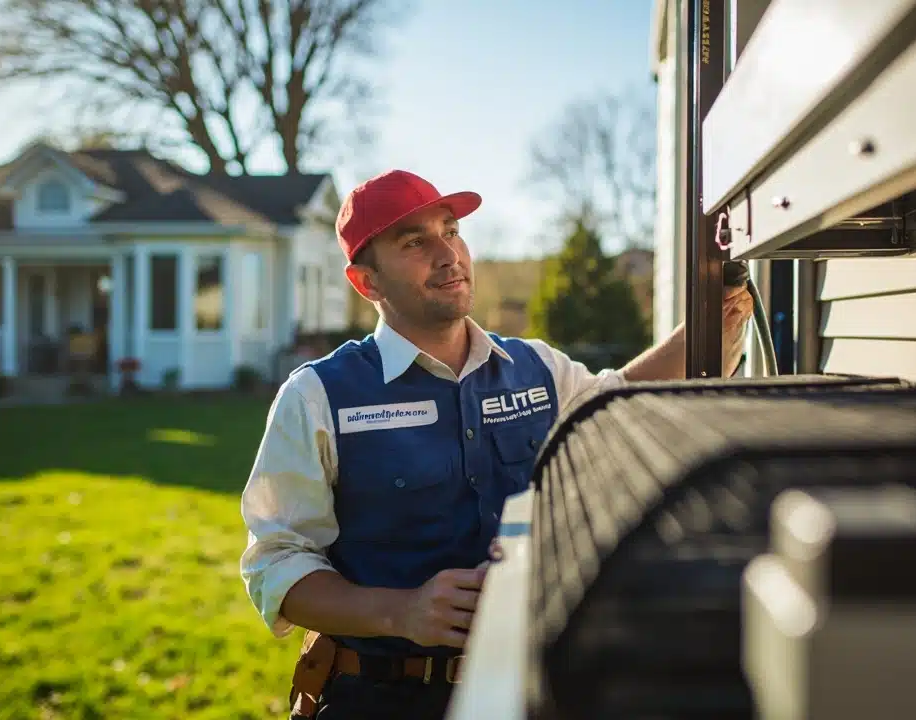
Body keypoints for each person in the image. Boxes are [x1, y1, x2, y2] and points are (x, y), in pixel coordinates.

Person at [240, 169, 753, 720]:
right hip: (380, 698)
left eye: (452, 230)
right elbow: (276, 564)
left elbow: (622, 405)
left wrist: (713, 316)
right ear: (367, 282)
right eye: (415, 242)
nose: (448, 254)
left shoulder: (536, 368)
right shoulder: (317, 395)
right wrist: (401, 612)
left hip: (536, 690)